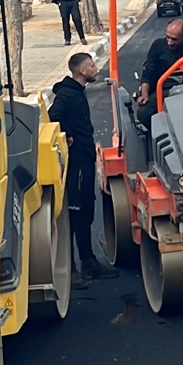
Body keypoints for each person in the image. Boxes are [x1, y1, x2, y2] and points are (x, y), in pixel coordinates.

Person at [48, 52, 118, 285]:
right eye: (91, 65)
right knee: (76, 212)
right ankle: (74, 268)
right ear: (81, 71)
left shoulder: (77, 92)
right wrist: (69, 136)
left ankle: (88, 262)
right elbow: (53, 117)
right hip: (77, 163)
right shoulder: (68, 94)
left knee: (86, 210)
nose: (96, 68)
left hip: (85, 157)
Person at [135, 17, 183, 128]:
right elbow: (148, 74)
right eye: (167, 37)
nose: (169, 42)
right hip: (165, 92)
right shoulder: (158, 46)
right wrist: (144, 95)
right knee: (143, 114)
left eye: (174, 39)